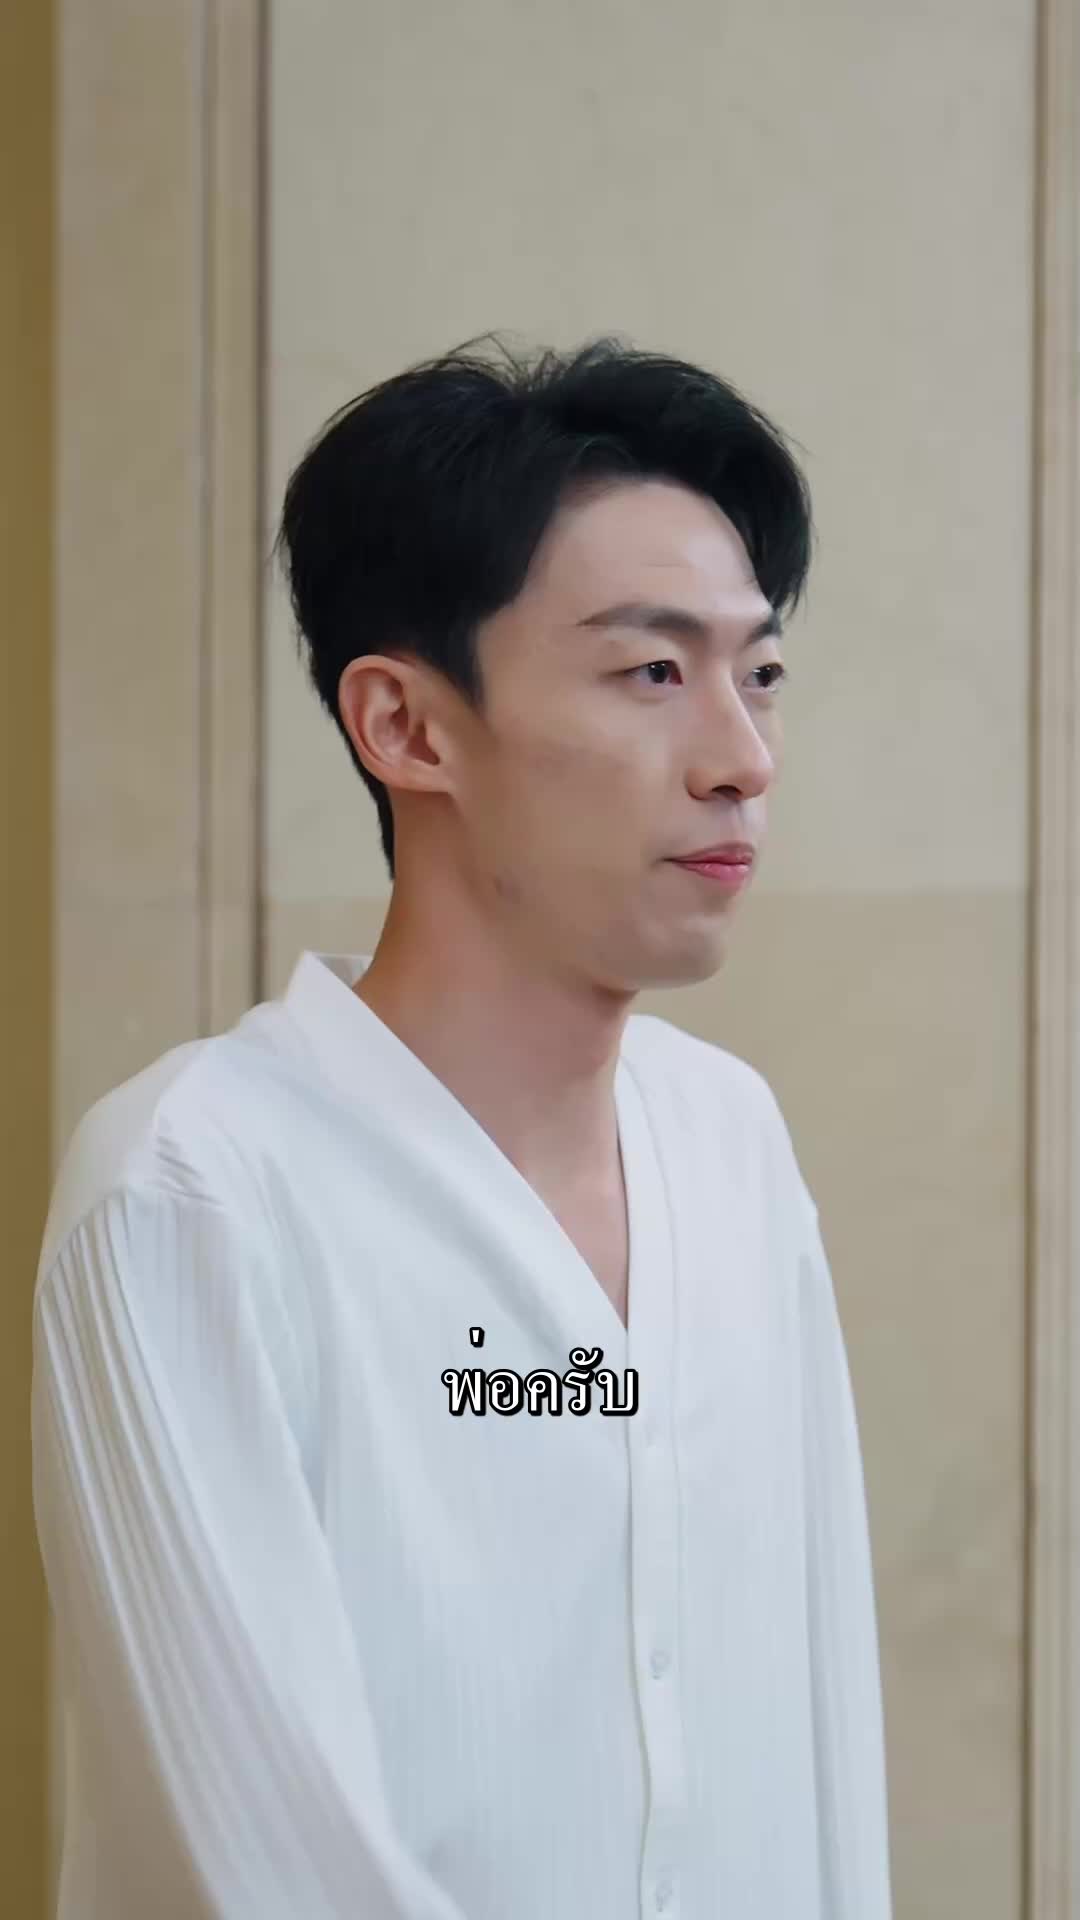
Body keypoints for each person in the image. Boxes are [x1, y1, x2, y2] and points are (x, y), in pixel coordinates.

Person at [32, 337, 892, 1919]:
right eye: (653, 673)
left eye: (759, 673)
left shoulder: (731, 1143)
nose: (743, 760)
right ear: (406, 727)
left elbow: (819, 1735)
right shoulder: (193, 1191)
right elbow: (258, 1868)